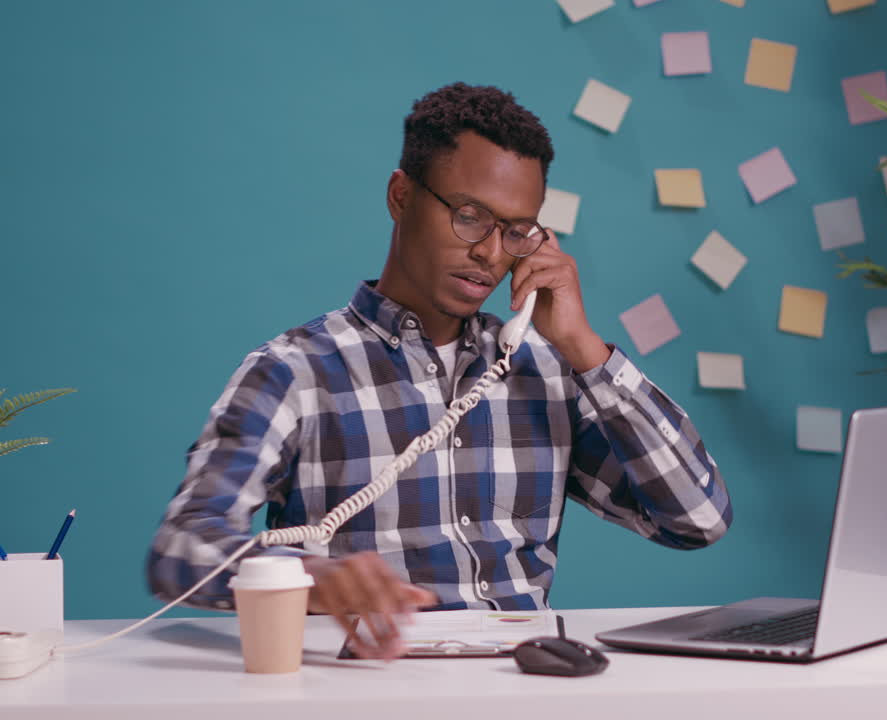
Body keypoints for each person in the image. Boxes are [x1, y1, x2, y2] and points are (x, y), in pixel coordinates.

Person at [147, 82, 732, 659]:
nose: (492, 253)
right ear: (401, 196)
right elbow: (182, 544)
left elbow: (697, 519)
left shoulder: (543, 374)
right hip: (367, 691)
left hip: (525, 691)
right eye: (471, 215)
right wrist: (307, 580)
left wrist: (585, 350)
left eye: (516, 230)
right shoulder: (294, 372)